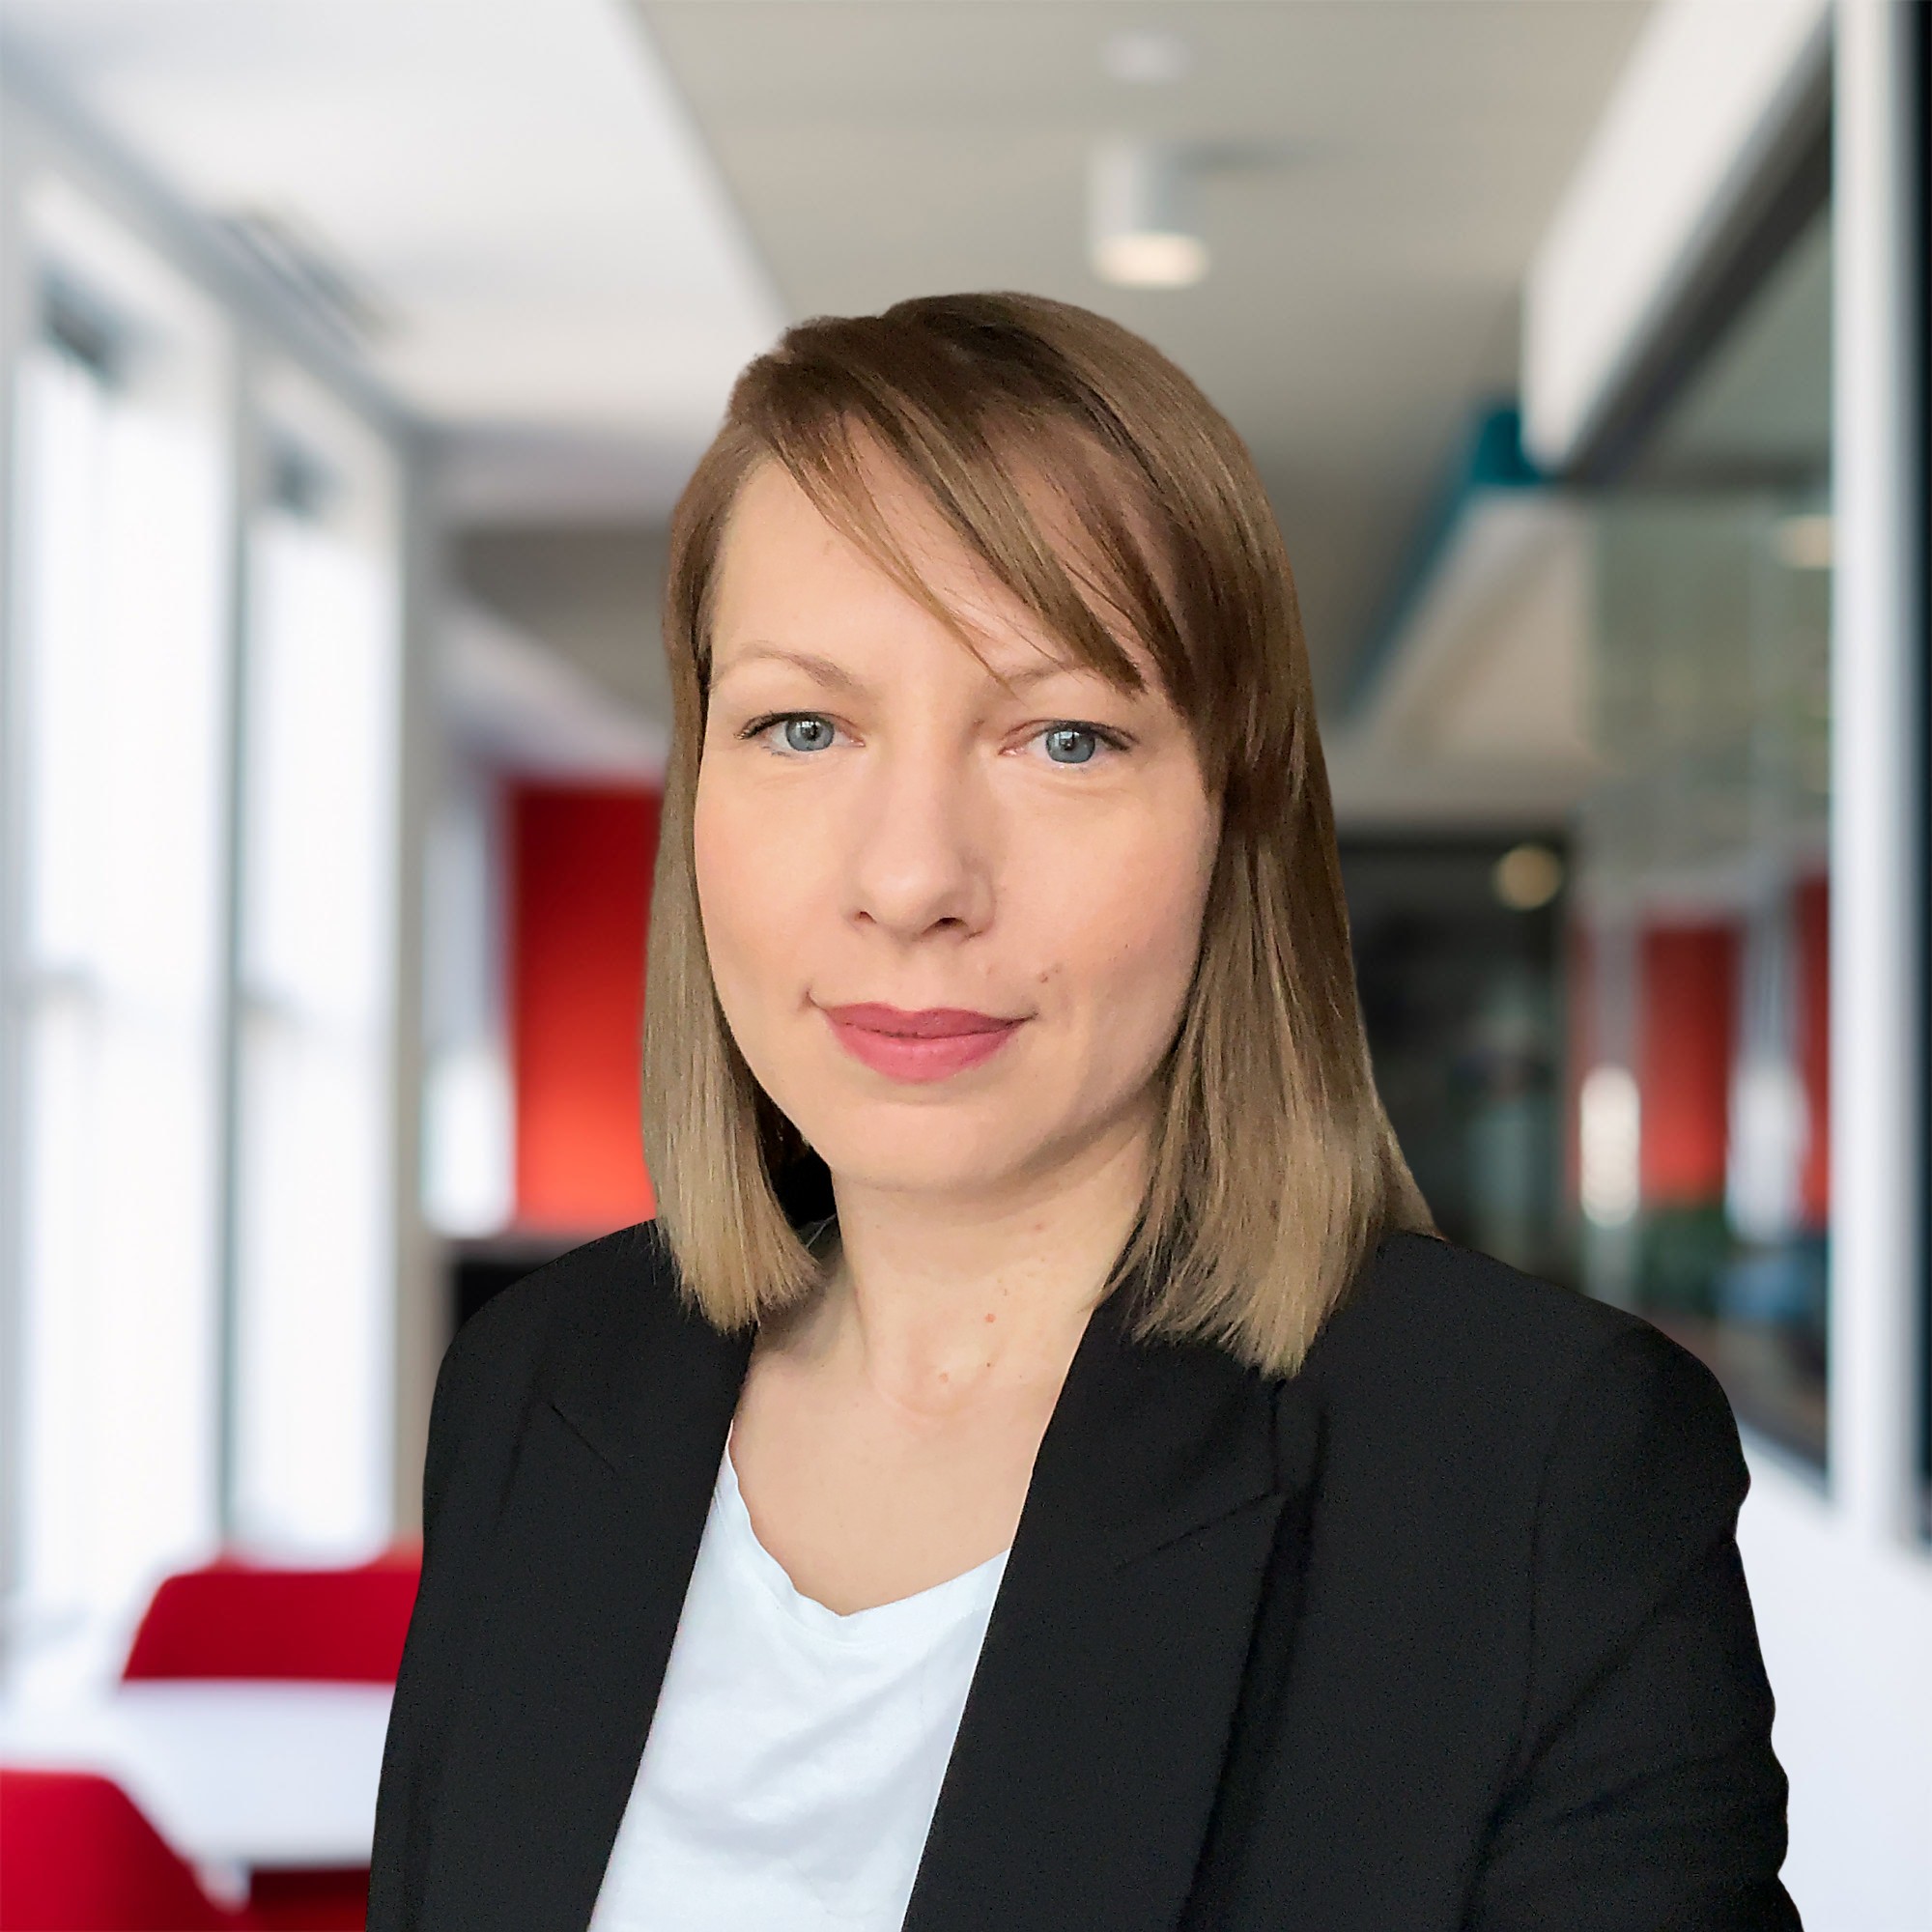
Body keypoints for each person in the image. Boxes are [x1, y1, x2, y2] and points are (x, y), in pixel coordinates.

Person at [367, 293, 1798, 1932]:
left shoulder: (1532, 1469)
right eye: (803, 726)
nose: (912, 879)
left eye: (1065, 737)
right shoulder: (537, 1385)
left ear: (1231, 821)